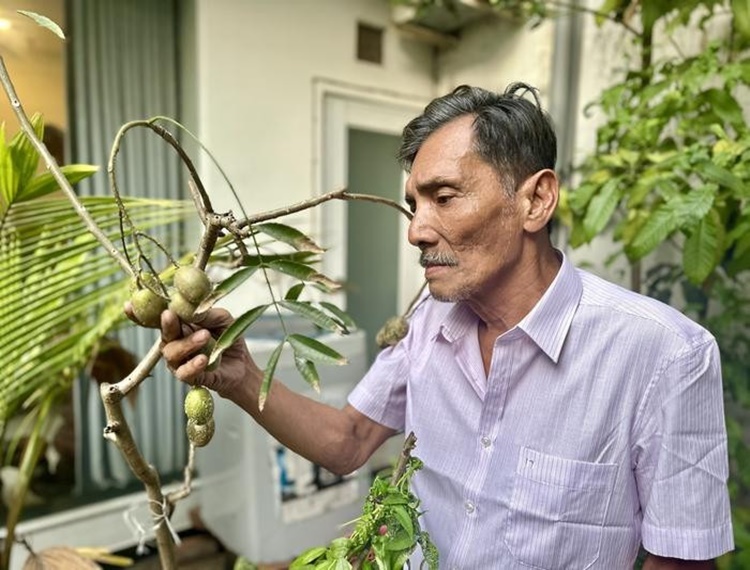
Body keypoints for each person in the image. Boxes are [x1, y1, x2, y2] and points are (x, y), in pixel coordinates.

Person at [153, 83, 734, 568]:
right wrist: (239, 377)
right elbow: (347, 443)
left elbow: (680, 560)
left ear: (536, 201)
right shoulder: (429, 324)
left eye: (445, 197)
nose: (416, 231)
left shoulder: (665, 356)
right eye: (414, 204)